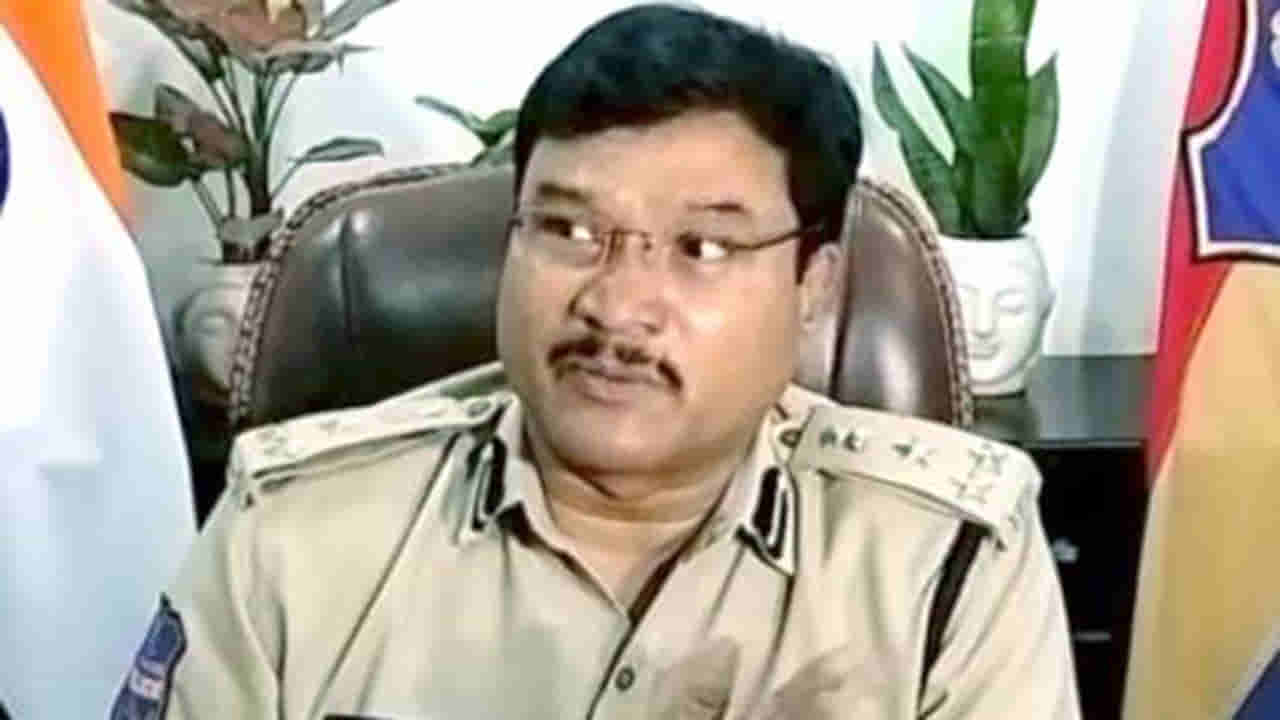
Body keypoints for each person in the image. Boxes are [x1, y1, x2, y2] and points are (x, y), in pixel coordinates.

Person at [113, 5, 1081, 719]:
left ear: (812, 285)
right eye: (568, 231)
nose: (616, 305)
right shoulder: (291, 536)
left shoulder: (944, 561)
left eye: (703, 248)